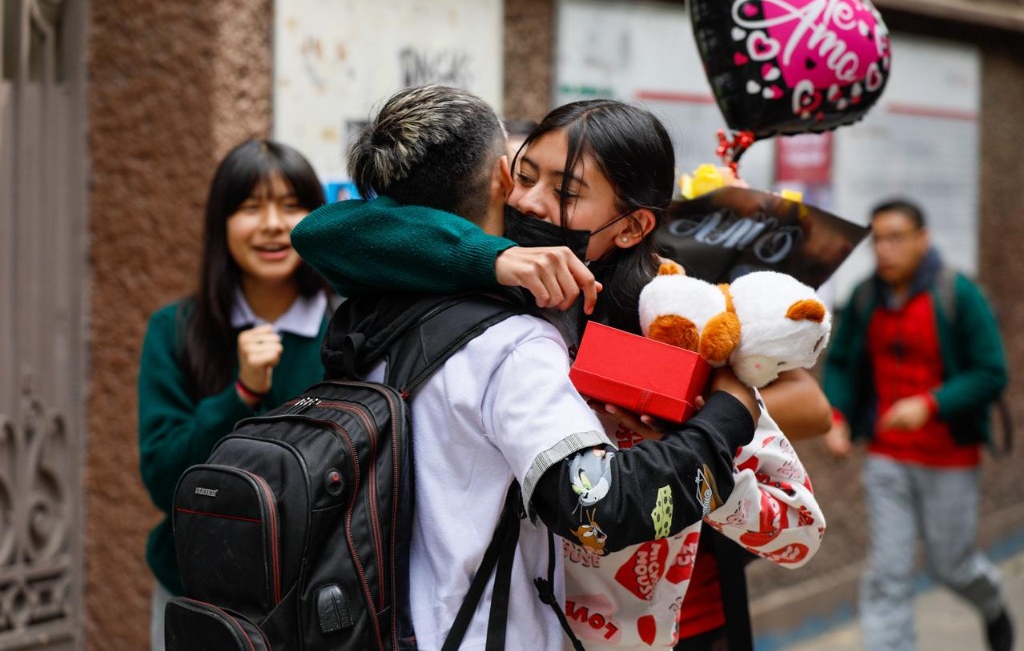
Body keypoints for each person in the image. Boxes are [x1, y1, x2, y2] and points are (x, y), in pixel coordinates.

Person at [293, 88, 827, 650]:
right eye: (524, 176)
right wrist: (491, 257)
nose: (530, 203)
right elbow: (322, 232)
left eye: (566, 192)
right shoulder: (485, 281)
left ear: (631, 227)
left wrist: (700, 450)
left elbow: (802, 531)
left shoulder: (676, 327)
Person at [137, 139, 332, 650]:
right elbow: (162, 479)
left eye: (291, 205)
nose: (272, 224)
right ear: (221, 224)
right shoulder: (176, 330)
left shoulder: (348, 329)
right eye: (251, 207)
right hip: (198, 593)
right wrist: (240, 392)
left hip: (321, 595)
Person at [822, 198, 1012, 651]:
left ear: (922, 239)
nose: (885, 249)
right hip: (887, 459)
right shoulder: (867, 297)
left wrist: (930, 404)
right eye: (878, 240)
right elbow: (843, 364)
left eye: (896, 238)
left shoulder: (957, 293)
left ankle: (991, 603)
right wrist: (837, 417)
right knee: (888, 574)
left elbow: (991, 372)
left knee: (952, 567)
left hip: (949, 458)